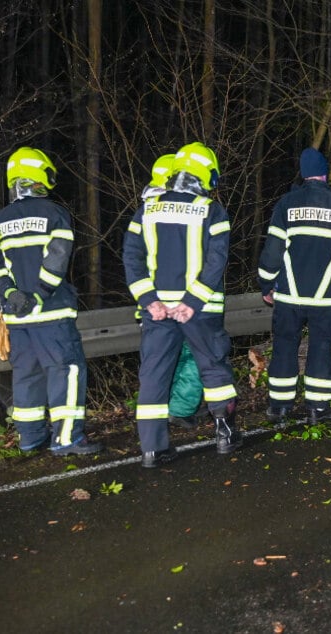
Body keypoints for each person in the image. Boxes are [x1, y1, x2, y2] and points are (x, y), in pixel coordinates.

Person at [0, 147, 102, 455]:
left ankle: (30, 437)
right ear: (39, 176)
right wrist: (39, 295)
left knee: (27, 376)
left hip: (18, 319)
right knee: (66, 371)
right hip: (51, 314)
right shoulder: (54, 213)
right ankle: (67, 438)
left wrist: (8, 293)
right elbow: (57, 259)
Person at [123, 141, 240, 468]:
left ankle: (152, 451)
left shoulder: (145, 210)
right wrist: (191, 301)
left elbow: (132, 260)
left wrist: (149, 300)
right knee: (213, 367)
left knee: (154, 376)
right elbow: (217, 262)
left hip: (157, 311)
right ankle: (225, 436)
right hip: (200, 310)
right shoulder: (212, 210)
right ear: (204, 174)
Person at [257, 147, 331, 424]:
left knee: (284, 346)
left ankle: (279, 407)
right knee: (320, 348)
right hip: (326, 297)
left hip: (289, 295)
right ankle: (318, 407)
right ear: (325, 173)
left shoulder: (286, 204)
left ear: (303, 174)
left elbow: (272, 250)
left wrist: (266, 283)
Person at [140, 153, 205, 430]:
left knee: (159, 361)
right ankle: (180, 408)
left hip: (151, 303)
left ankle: (157, 417)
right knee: (194, 356)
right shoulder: (187, 209)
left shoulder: (148, 208)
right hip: (185, 302)